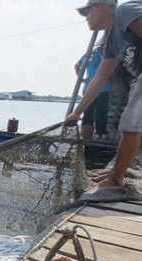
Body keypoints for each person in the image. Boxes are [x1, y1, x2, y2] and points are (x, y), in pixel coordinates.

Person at [65, 0, 142, 191]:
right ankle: (116, 172)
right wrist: (77, 112)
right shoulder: (112, 41)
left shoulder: (126, 10)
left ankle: (116, 178)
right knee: (130, 126)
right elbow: (99, 79)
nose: (86, 18)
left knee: (131, 123)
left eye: (88, 12)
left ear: (103, 7)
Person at [74, 33, 111, 140]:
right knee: (88, 112)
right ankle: (86, 135)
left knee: (101, 112)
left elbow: (114, 70)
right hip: (89, 88)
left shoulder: (110, 55)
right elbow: (77, 65)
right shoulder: (90, 54)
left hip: (105, 88)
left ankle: (101, 133)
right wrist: (80, 78)